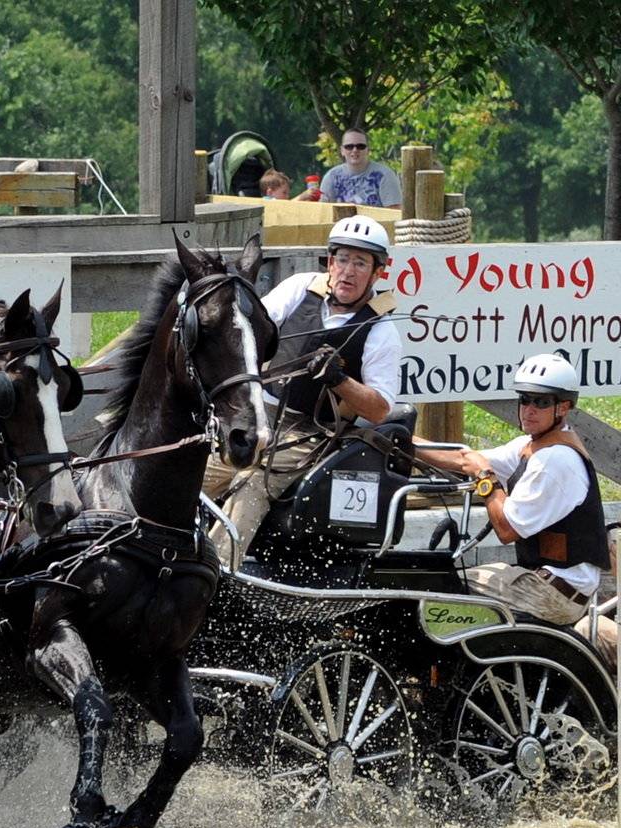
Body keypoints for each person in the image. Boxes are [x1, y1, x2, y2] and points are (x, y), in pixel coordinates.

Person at [203, 215, 401, 564]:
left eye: (360, 263)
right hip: (258, 414)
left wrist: (339, 379)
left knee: (253, 483)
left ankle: (217, 575)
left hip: (309, 434)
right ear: (329, 261)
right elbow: (254, 329)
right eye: (342, 259)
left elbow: (380, 409)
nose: (348, 271)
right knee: (191, 471)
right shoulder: (300, 288)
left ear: (378, 272)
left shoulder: (382, 331)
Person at [413, 354, 610, 642]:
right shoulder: (531, 447)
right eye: (525, 399)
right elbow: (466, 458)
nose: (529, 409)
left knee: (446, 587)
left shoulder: (556, 461)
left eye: (541, 402)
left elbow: (506, 528)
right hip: (542, 580)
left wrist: (486, 481)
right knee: (442, 580)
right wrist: (400, 439)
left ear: (563, 407)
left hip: (554, 593)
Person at [320, 129, 402, 209]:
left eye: (360, 146)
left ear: (368, 150)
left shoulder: (385, 175)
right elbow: (322, 212)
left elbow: (394, 213)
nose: (355, 150)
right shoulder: (331, 177)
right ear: (342, 151)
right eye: (349, 147)